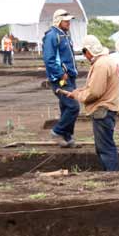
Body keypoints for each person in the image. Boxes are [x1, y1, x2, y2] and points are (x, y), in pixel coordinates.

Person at [68, 35, 119, 171]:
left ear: (88, 51)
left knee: (105, 148)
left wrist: (78, 96)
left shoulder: (100, 65)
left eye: (84, 53)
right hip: (108, 108)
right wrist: (80, 91)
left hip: (102, 110)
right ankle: (111, 173)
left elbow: (95, 92)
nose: (85, 56)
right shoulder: (108, 61)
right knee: (105, 146)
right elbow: (96, 87)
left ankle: (112, 175)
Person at [43, 10, 80, 147]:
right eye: (66, 21)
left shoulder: (64, 35)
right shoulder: (52, 36)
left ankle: (67, 138)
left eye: (69, 20)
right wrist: (60, 73)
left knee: (66, 107)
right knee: (73, 107)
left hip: (69, 77)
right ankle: (57, 131)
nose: (69, 23)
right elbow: (49, 59)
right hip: (61, 79)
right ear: (58, 21)